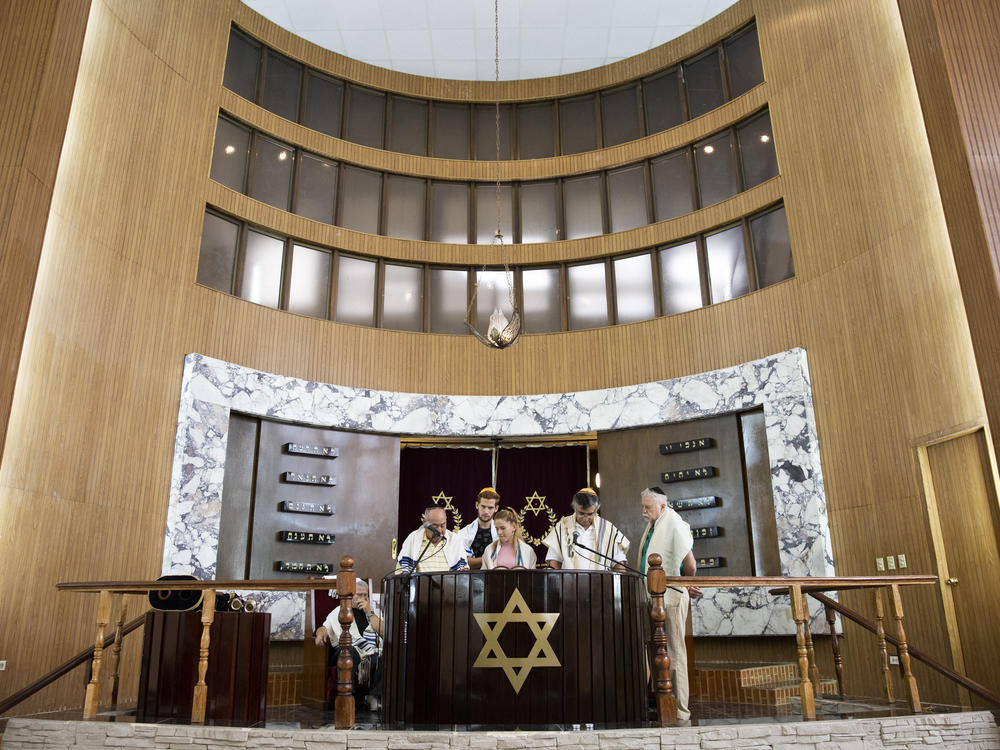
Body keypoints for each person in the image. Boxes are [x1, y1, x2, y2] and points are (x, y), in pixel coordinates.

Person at [636, 486, 702, 723]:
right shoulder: (654, 524)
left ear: (662, 506)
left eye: (648, 507)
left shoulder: (673, 521)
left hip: (671, 597)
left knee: (673, 651)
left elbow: (690, 563)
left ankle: (681, 710)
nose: (643, 511)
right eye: (642, 506)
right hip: (654, 598)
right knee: (656, 651)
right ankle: (664, 702)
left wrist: (687, 583)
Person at [314, 577, 384, 711]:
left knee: (385, 656)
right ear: (351, 595)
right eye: (359, 595)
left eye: (365, 595)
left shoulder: (373, 612)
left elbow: (383, 632)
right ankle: (347, 699)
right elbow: (325, 627)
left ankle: (374, 697)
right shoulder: (339, 611)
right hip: (346, 650)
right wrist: (320, 633)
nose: (362, 598)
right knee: (349, 650)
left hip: (369, 652)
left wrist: (369, 612)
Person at [542, 488, 629, 571]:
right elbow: (554, 561)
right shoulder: (562, 527)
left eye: (590, 514)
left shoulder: (608, 529)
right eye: (581, 513)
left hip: (600, 584)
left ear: (596, 509)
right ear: (574, 508)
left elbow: (619, 563)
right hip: (568, 584)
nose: (585, 518)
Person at [396, 505, 469, 573]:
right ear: (425, 523)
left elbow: (463, 573)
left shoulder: (455, 541)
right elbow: (401, 572)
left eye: (443, 525)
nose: (439, 530)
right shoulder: (413, 539)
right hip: (419, 586)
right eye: (435, 526)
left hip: (449, 586)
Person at [457, 487, 500, 569]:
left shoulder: (502, 532)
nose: (486, 511)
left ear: (496, 508)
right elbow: (462, 562)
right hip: (470, 578)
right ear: (477, 505)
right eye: (483, 506)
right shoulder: (464, 533)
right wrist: (490, 559)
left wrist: (475, 561)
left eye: (490, 508)